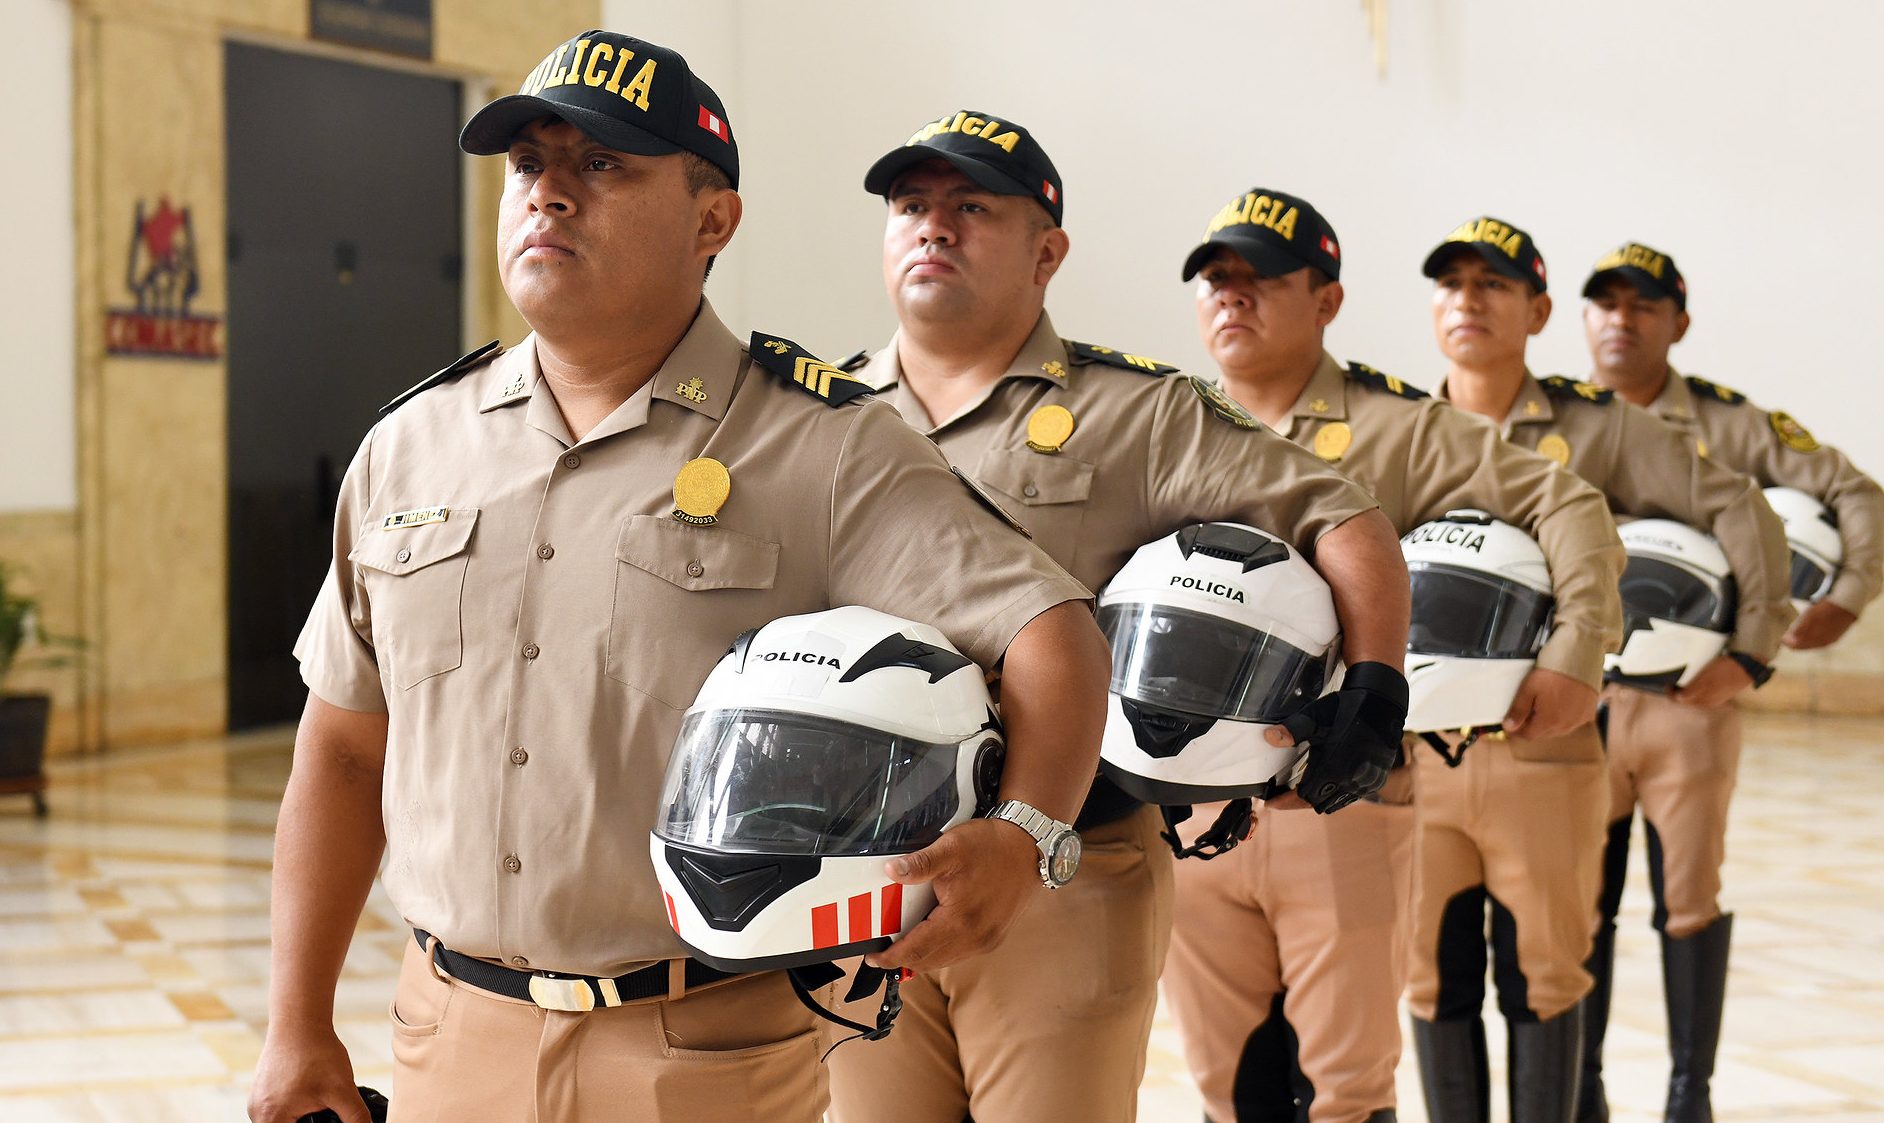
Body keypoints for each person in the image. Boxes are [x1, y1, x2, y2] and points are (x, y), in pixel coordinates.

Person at [245, 35, 1112, 1123]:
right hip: (446, 1039)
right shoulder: (410, 447)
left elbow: (1050, 627)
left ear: (713, 222)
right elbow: (340, 745)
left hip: (699, 1049)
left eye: (602, 165)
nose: (550, 192)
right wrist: (295, 1021)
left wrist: (1027, 834)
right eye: (528, 166)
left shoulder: (823, 447)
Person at [822, 113, 1413, 1123]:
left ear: (1046, 250)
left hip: (1067, 862)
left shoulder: (1136, 413)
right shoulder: (821, 414)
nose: (934, 227)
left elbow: (1343, 518)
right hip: (864, 870)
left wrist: (1372, 692)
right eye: (912, 207)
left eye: (971, 208)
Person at [1169, 186, 1623, 1123]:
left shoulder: (1398, 428)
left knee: (1344, 1090)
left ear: (1326, 299)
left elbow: (1568, 505)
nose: (1232, 297)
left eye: (1259, 278)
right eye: (1217, 279)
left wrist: (1575, 650)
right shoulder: (1169, 425)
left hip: (1342, 801)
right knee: (1225, 1087)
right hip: (1195, 812)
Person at [1413, 216, 1794, 1122]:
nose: (1468, 301)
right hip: (1421, 755)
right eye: (1452, 284)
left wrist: (1751, 647)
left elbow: (1740, 506)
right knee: (1432, 972)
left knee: (1547, 965)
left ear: (1540, 310)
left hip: (1550, 742)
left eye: (1493, 285)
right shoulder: (1402, 426)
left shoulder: (1601, 429)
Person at [1577, 242, 1884, 1121]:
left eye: (1642, 305)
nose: (1622, 321)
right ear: (1584, 317)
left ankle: (1689, 1095)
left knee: (1688, 902)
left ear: (1678, 322)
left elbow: (1857, 492)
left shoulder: (1732, 424)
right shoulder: (1554, 418)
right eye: (1606, 304)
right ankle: (1582, 1086)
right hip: (1578, 703)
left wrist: (1846, 599)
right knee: (1577, 907)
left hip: (1689, 701)